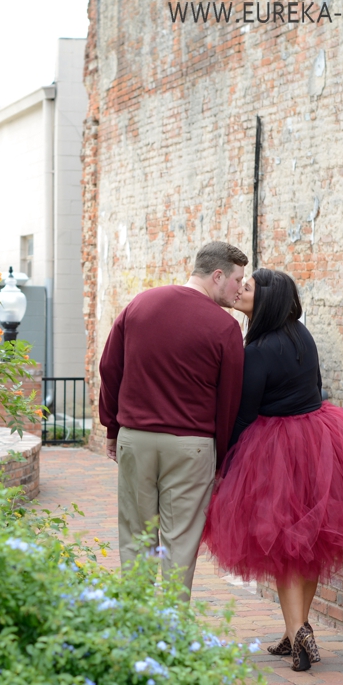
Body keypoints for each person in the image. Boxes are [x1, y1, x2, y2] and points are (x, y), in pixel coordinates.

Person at [201, 268, 343, 671]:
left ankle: (298, 629)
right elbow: (316, 385)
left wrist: (227, 463)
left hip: (276, 449)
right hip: (321, 438)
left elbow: (246, 414)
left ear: (265, 299)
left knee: (286, 548)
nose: (239, 291)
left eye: (247, 288)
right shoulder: (303, 335)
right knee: (309, 546)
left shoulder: (258, 350)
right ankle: (293, 629)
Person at [98, 241, 248, 599]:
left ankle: (137, 622)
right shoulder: (225, 328)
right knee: (180, 541)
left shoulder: (140, 305)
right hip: (191, 446)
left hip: (137, 436)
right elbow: (229, 401)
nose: (240, 289)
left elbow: (109, 368)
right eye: (237, 279)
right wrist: (222, 456)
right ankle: (172, 631)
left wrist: (112, 428)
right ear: (217, 275)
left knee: (136, 535)